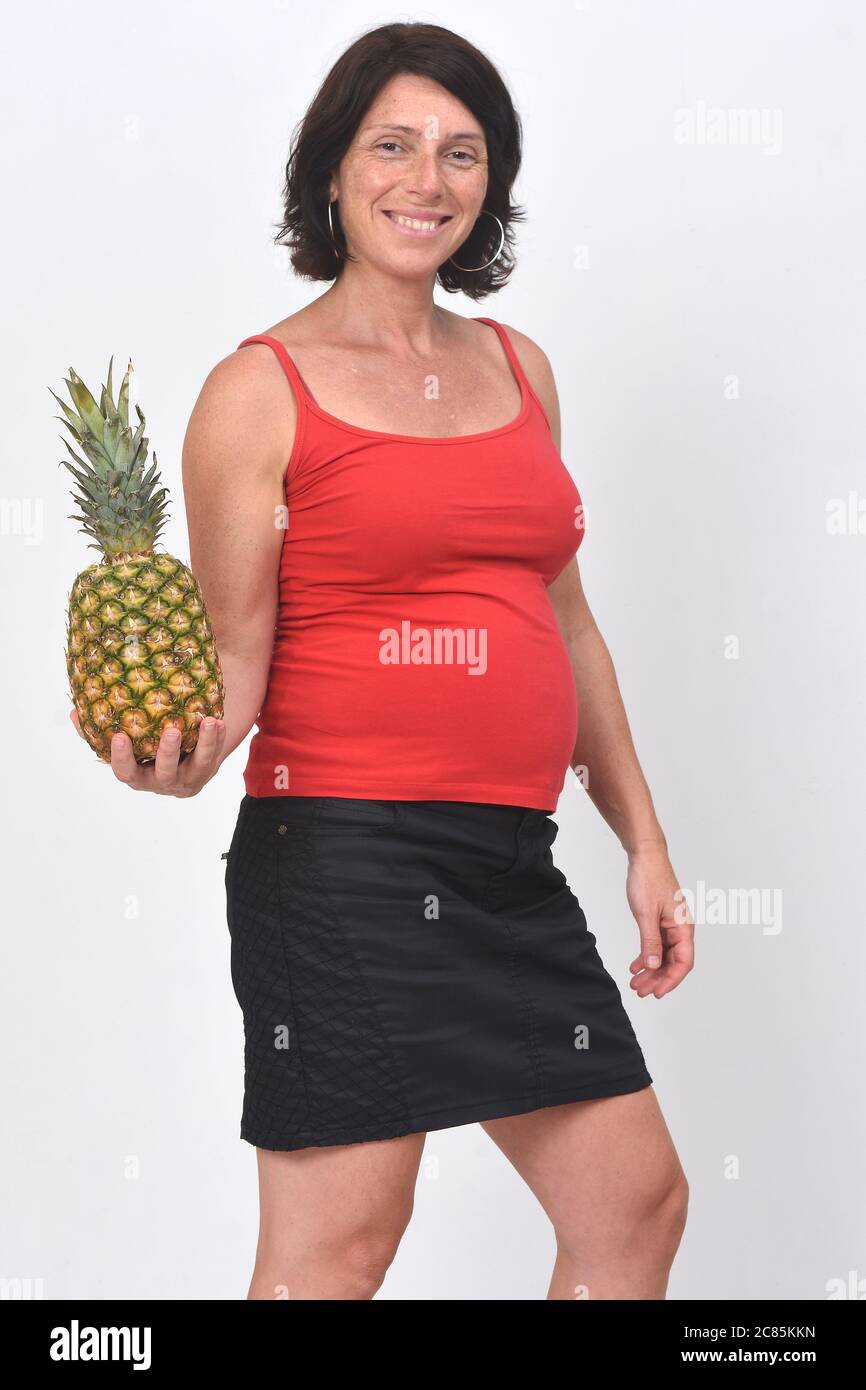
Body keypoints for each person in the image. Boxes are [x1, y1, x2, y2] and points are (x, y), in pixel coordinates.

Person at [74, 22, 693, 1300]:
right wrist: (174, 764)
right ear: (334, 172)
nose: (428, 178)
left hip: (508, 863)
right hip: (344, 860)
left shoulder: (521, 370)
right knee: (338, 1252)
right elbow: (238, 655)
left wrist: (641, 838)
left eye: (462, 152)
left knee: (632, 1207)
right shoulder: (259, 390)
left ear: (491, 182)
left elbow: (566, 622)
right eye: (393, 145)